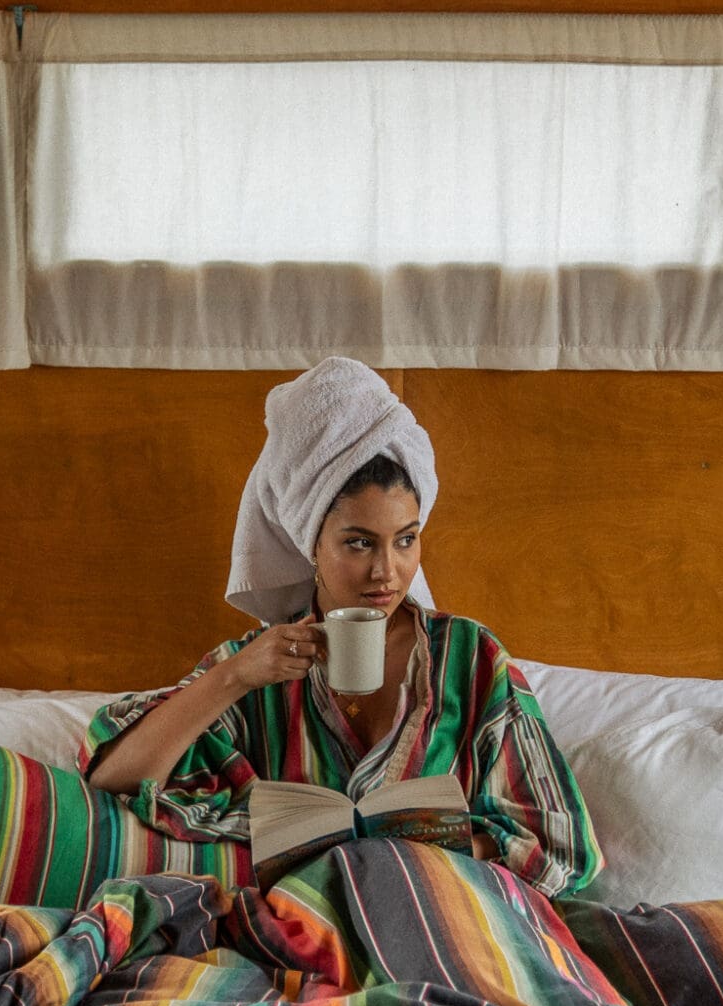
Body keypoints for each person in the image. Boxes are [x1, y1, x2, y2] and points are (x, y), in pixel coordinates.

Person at [81, 358, 600, 898]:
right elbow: (114, 778)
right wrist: (234, 677)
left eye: (405, 540)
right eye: (359, 542)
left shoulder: (470, 659)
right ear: (312, 543)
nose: (387, 572)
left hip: (439, 912)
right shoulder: (257, 668)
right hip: (301, 929)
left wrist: (426, 847)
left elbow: (563, 845)